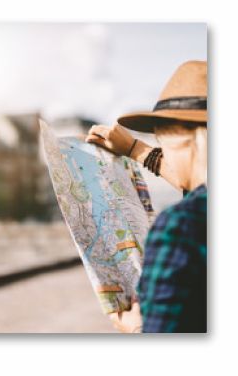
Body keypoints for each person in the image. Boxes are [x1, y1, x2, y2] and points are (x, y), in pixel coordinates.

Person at [85, 60, 207, 333]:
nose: (164, 153)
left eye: (163, 142)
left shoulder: (182, 225)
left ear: (185, 142)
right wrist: (135, 149)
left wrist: (136, 328)